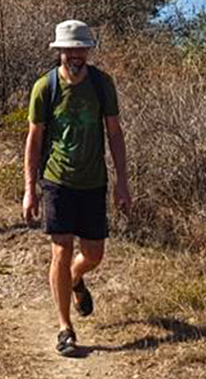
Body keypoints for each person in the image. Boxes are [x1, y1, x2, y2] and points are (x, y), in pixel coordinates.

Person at [22, 19, 130, 357]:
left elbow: (114, 133)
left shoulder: (101, 85)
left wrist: (122, 183)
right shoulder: (45, 87)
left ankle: (74, 277)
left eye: (81, 49)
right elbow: (34, 138)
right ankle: (65, 328)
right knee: (60, 249)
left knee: (94, 254)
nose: (76, 55)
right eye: (70, 49)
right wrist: (30, 188)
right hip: (57, 181)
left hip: (94, 181)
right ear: (60, 53)